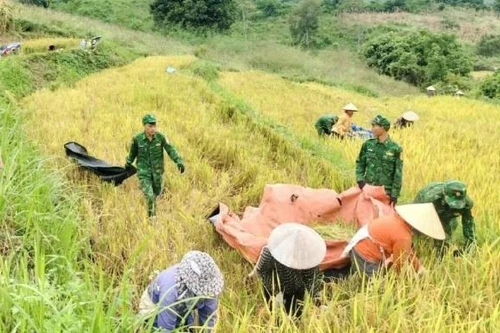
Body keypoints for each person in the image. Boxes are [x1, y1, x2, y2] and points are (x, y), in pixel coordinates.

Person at [340, 203, 445, 277]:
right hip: (365, 253)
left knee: (374, 274)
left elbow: (407, 252)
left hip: (361, 244)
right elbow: (399, 264)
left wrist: (419, 267)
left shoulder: (398, 220)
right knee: (375, 286)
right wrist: (408, 283)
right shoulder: (403, 236)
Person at [246, 223, 326, 317]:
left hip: (295, 290)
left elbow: (311, 280)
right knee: (275, 316)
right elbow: (260, 270)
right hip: (273, 288)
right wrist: (250, 278)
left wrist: (319, 302)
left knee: (295, 317)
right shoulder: (271, 252)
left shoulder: (307, 257)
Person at [138, 251, 224, 332]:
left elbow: (208, 317)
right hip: (154, 306)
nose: (209, 294)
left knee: (187, 326)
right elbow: (165, 328)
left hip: (184, 303)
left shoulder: (209, 286)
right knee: (152, 328)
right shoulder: (170, 290)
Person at [125, 114, 185, 217]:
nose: (153, 129)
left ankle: (151, 206)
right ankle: (152, 218)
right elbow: (132, 153)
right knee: (150, 196)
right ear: (144, 126)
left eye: (154, 126)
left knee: (156, 193)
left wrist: (178, 161)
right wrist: (128, 163)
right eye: (150, 126)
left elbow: (170, 149)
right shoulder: (137, 139)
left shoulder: (161, 138)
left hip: (157, 172)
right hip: (144, 172)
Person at [414, 180, 476, 255]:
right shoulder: (431, 199)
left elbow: (469, 226)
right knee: (419, 229)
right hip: (424, 201)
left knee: (449, 231)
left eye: (457, 204)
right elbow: (424, 219)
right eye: (452, 203)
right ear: (444, 195)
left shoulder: (467, 204)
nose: (454, 206)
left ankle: (439, 253)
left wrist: (469, 246)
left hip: (444, 209)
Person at [355, 115, 403, 206]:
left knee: (382, 218)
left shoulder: (395, 149)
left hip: (385, 192)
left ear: (383, 127)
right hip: (368, 189)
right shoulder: (368, 144)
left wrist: (394, 195)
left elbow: (398, 174)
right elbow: (360, 163)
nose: (372, 128)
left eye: (374, 126)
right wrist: (360, 180)